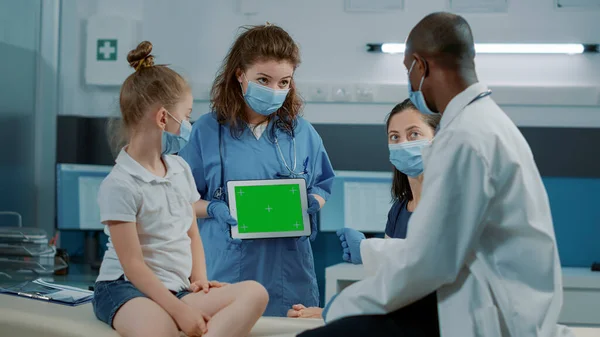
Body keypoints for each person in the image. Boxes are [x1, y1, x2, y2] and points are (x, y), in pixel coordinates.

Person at [298, 12, 573, 337]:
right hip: (502, 304)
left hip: (495, 315)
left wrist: (343, 306)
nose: (410, 83)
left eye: (407, 71)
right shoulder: (489, 124)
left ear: (420, 66)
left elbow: (429, 260)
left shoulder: (465, 137)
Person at [93, 41, 268, 337]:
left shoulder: (179, 169)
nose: (188, 124)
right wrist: (180, 311)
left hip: (179, 288)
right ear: (163, 118)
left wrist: (199, 280)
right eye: (185, 116)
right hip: (126, 288)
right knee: (160, 330)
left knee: (254, 293)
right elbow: (133, 265)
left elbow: (191, 232)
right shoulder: (119, 184)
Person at [178, 24, 335, 317]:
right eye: (263, 79)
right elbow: (181, 202)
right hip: (226, 270)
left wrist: (312, 203)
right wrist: (213, 209)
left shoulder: (301, 132)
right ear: (240, 75)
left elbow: (323, 184)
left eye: (283, 82)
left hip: (290, 273)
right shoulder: (206, 132)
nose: (274, 91)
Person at [287, 99, 441, 320]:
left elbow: (424, 268)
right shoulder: (399, 210)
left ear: (438, 139)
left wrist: (366, 249)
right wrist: (329, 311)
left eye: (414, 134)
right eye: (394, 137)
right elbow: (388, 282)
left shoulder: (447, 205)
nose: (403, 144)